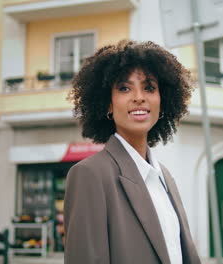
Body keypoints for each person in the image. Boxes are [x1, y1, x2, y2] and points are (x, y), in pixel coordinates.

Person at [64, 40, 201, 264]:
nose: (139, 97)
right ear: (107, 103)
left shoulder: (165, 177)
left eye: (149, 87)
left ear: (162, 100)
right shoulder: (90, 175)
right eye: (124, 88)